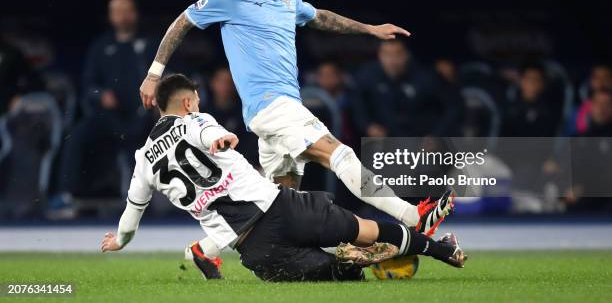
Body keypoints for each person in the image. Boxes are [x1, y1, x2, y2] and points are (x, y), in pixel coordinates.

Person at [139, 0, 454, 234]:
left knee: (283, 201)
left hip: (274, 112)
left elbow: (320, 17)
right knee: (339, 154)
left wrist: (370, 29)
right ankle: (412, 216)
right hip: (274, 106)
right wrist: (155, 73)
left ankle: (232, 252)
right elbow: (182, 23)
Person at [101, 74, 467, 282]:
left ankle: (418, 251)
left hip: (255, 250)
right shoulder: (195, 120)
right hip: (282, 210)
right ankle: (438, 248)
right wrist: (221, 138)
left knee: (343, 273)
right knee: (363, 238)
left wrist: (119, 240)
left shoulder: (142, 160)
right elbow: (205, 134)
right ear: (187, 103)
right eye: (195, 100)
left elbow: (131, 217)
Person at [48, 0, 156, 218]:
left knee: (140, 146)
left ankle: (141, 203)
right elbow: (88, 84)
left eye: (126, 10)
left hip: (142, 116)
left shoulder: (149, 44)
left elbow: (168, 77)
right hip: (108, 116)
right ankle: (67, 195)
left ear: (135, 13)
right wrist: (101, 95)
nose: (122, 16)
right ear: (110, 16)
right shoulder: (101, 45)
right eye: (116, 11)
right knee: (76, 135)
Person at [352, 40, 464, 138]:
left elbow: (453, 107)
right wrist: (368, 125)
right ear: (379, 55)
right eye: (387, 54)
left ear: (407, 55)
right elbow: (358, 105)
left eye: (397, 54)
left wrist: (437, 135)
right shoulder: (367, 76)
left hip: (422, 142)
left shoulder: (426, 76)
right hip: (386, 143)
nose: (392, 61)